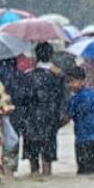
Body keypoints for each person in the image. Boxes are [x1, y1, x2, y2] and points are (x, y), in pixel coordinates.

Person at [20, 42, 68, 176]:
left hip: (30, 123)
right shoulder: (57, 76)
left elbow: (23, 101)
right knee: (47, 162)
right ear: (51, 55)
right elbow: (62, 99)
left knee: (33, 163)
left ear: (36, 56)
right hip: (50, 122)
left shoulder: (27, 76)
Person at [0, 52, 25, 175]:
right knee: (11, 143)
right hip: (15, 115)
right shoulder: (19, 74)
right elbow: (22, 96)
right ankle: (9, 171)